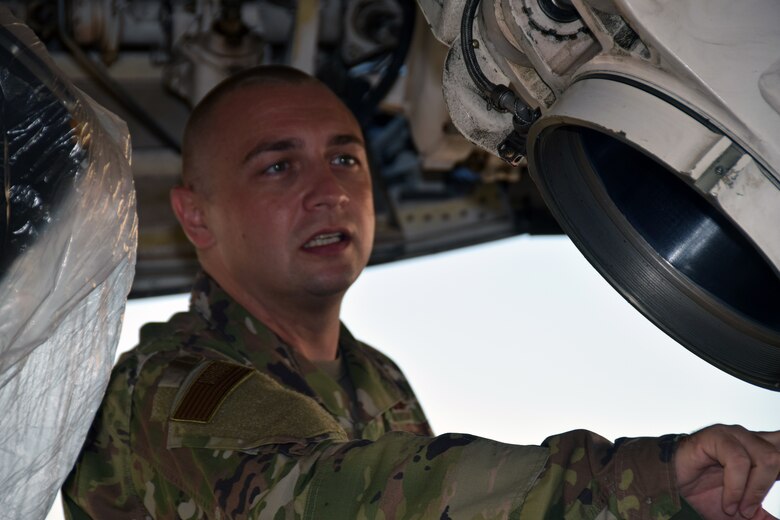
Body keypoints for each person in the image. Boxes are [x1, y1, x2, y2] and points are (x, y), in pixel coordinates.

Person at [62, 65, 780, 519]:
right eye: (278, 168)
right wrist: (638, 481)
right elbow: (339, 497)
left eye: (346, 158)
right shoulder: (174, 383)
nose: (329, 192)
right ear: (195, 216)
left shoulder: (376, 378)